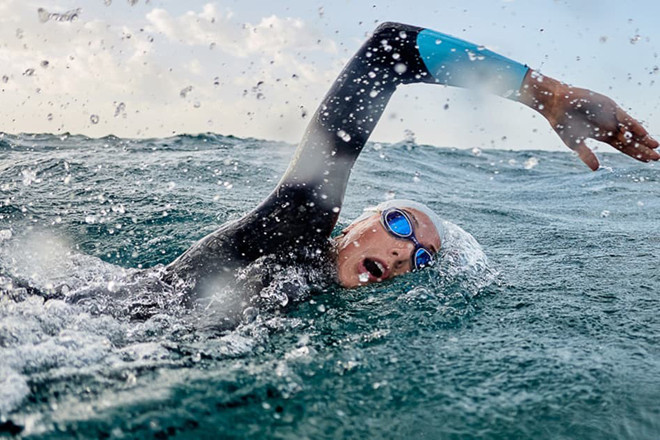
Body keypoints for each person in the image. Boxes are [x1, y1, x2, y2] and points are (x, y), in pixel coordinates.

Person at [161, 22, 659, 298]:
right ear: (353, 226)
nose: (404, 253)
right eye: (399, 224)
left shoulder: (321, 304)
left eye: (421, 256)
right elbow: (388, 49)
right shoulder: (293, 230)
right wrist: (545, 93)